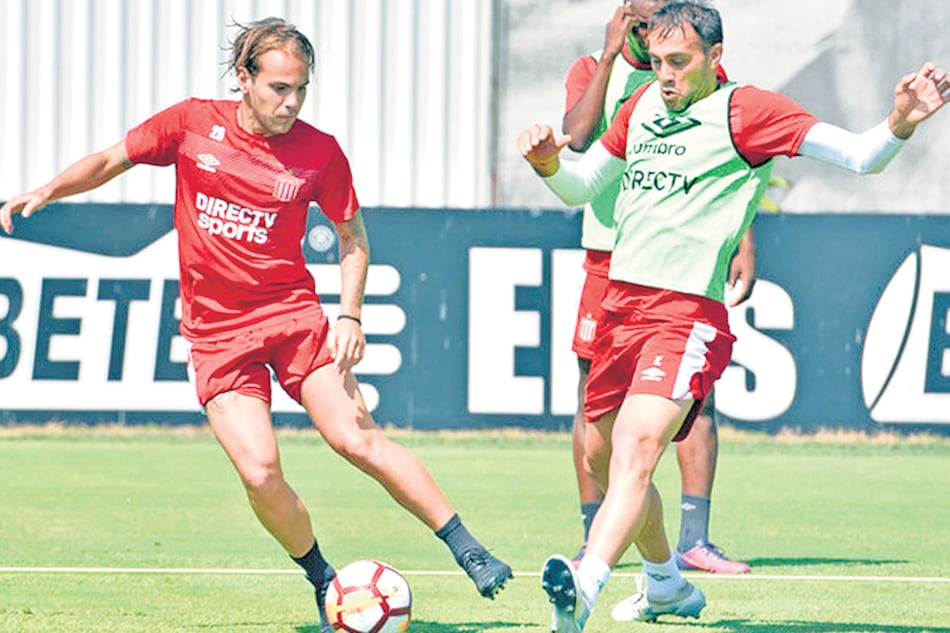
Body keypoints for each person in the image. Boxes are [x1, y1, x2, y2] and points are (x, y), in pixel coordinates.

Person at [0, 17, 512, 632]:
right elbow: (113, 158)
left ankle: (467, 547)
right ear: (243, 79)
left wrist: (349, 313)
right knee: (260, 471)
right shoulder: (191, 124)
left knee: (356, 440)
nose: (290, 102)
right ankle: (325, 581)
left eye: (300, 89)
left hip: (294, 320)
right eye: (277, 88)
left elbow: (353, 240)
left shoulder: (320, 152)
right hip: (218, 338)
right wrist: (47, 191)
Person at [518, 1, 949, 629]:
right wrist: (548, 166)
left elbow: (861, 156)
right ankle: (664, 582)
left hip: (686, 314)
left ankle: (581, 591)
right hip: (620, 307)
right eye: (658, 61)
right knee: (603, 460)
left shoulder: (747, 111)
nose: (664, 75)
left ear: (715, 57)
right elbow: (584, 186)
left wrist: (900, 122)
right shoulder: (638, 106)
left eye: (679, 62)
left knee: (639, 449)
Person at [563, 0, 750, 575]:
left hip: (684, 261)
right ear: (624, 17)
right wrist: (613, 54)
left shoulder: (698, 72)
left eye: (656, 23)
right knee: (594, 399)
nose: (649, 36)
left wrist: (744, 239)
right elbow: (575, 141)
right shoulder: (595, 66)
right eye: (640, 24)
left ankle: (695, 537)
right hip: (610, 257)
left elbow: (734, 161)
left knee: (695, 397)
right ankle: (598, 531)